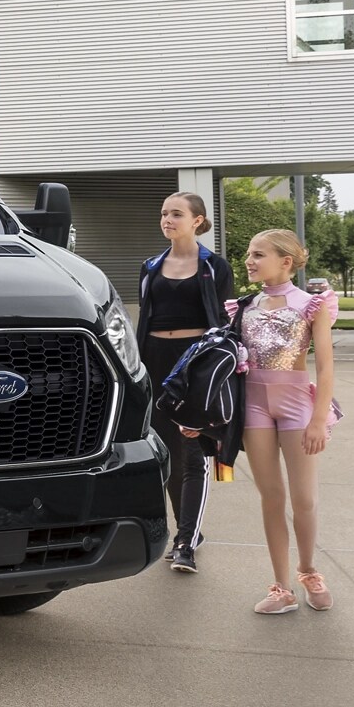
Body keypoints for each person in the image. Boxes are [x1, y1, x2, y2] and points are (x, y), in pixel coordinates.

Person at [223, 230, 340, 615]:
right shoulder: (243, 307)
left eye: (258, 254)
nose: (249, 261)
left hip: (296, 406)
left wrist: (318, 419)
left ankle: (308, 571)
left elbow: (325, 367)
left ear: (286, 261)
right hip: (254, 405)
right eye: (248, 254)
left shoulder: (311, 305)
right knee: (271, 497)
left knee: (304, 498)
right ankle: (282, 587)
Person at [135, 192, 234, 574]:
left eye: (176, 213)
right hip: (155, 363)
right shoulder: (150, 266)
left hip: (194, 365)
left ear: (198, 220)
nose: (167, 219)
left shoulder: (214, 266)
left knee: (192, 453)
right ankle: (181, 531)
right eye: (163, 213)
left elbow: (223, 325)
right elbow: (145, 318)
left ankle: (185, 541)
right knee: (163, 453)